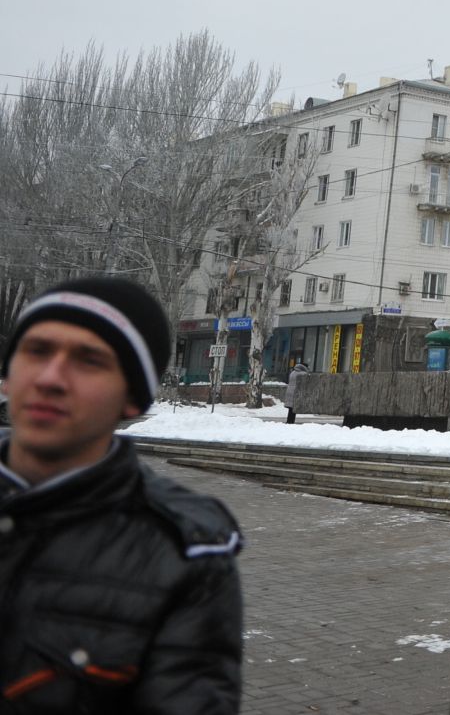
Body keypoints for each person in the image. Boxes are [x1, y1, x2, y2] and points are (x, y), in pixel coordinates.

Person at [0, 276, 245, 713]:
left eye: (88, 360)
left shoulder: (183, 553)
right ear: (6, 376)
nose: (51, 378)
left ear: (132, 399)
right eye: (37, 351)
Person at [285, 355, 310, 424]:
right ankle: (291, 422)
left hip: (290, 391)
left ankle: (289, 421)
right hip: (296, 392)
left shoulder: (293, 372)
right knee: (293, 408)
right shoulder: (303, 373)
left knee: (291, 409)